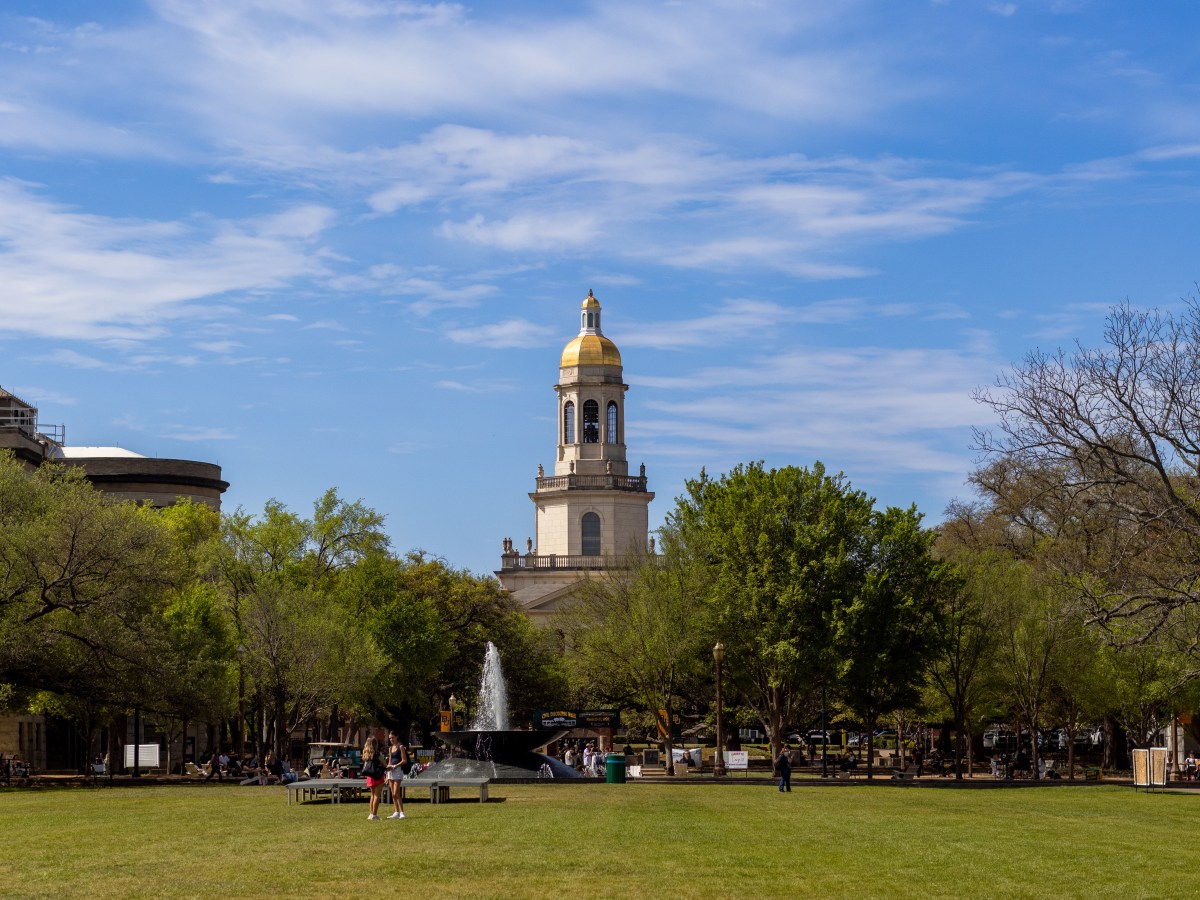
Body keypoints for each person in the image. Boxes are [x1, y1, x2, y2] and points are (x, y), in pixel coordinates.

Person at [385, 732, 408, 820]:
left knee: (396, 793)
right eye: (390, 738)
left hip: (398, 770)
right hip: (391, 771)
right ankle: (396, 812)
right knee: (392, 794)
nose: (391, 739)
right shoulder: (391, 748)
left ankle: (402, 812)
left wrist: (395, 766)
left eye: (393, 738)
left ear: (396, 737)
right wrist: (387, 775)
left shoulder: (400, 747)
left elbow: (404, 760)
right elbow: (390, 761)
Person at [362, 736, 386, 821]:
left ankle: (371, 814)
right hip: (377, 775)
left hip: (369, 776)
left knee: (372, 795)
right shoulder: (377, 754)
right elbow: (384, 764)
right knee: (377, 795)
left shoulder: (365, 753)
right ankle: (375, 814)